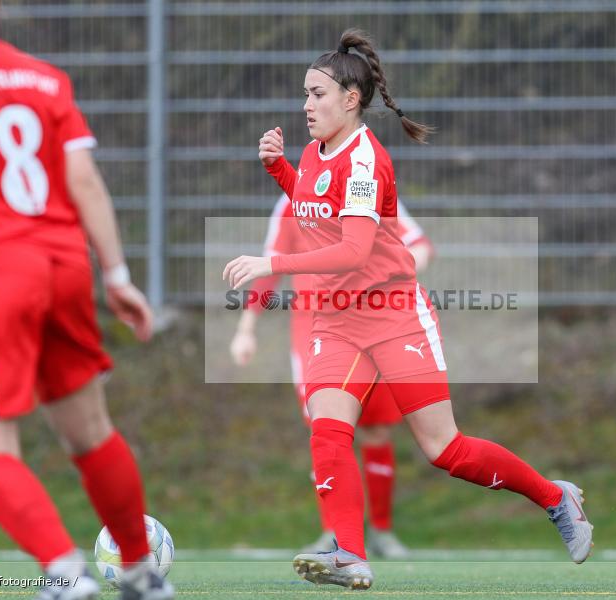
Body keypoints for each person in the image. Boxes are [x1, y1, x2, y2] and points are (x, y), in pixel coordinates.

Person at [224, 28, 594, 590]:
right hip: (336, 319)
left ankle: (553, 497)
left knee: (444, 449)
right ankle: (350, 555)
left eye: (317, 94)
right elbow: (312, 206)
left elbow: (353, 250)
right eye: (304, 94)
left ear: (351, 99)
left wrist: (270, 264)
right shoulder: (315, 151)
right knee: (328, 430)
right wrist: (279, 169)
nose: (306, 106)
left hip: (393, 314)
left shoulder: (365, 161)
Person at [0, 1, 173, 598]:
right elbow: (83, 180)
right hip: (64, 265)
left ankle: (66, 574)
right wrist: (117, 275)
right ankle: (141, 573)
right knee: (91, 432)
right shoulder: (43, 77)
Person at [229, 192, 434, 557]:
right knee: (326, 431)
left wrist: (382, 274)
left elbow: (420, 246)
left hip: (374, 329)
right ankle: (335, 533)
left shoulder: (368, 190)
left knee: (375, 429)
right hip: (315, 334)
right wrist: (246, 328)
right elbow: (269, 268)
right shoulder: (291, 202)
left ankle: (382, 532)